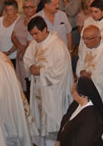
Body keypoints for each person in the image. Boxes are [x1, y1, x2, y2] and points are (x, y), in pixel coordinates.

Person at [23, 16, 73, 144]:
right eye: (32, 34)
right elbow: (27, 58)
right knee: (39, 121)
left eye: (36, 33)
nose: (34, 37)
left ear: (45, 29)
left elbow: (62, 70)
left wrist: (41, 71)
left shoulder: (58, 45)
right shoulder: (34, 43)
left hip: (53, 92)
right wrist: (30, 66)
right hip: (38, 90)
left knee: (51, 124)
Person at [56, 77, 103, 146]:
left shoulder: (91, 118)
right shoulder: (76, 104)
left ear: (81, 94)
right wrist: (58, 140)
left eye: (73, 92)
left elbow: (81, 142)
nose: (72, 94)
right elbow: (65, 119)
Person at [76, 24, 103, 98]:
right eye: (83, 38)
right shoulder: (85, 46)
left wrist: (91, 77)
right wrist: (81, 72)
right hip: (84, 87)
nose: (84, 42)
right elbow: (80, 62)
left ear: (97, 37)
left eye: (87, 38)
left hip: (99, 91)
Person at [11, 0, 37, 90]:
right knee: (22, 83)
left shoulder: (37, 20)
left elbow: (35, 39)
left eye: (30, 7)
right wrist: (20, 48)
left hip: (32, 55)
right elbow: (13, 36)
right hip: (20, 56)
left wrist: (24, 49)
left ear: (35, 8)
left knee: (31, 83)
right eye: (25, 7)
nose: (27, 10)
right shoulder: (20, 19)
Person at [0, 0, 19, 66]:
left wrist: (9, 52)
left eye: (11, 10)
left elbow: (19, 40)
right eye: (7, 10)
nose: (8, 12)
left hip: (13, 57)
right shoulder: (0, 20)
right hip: (0, 57)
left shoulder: (19, 21)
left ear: (16, 10)